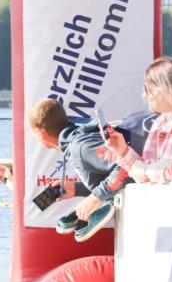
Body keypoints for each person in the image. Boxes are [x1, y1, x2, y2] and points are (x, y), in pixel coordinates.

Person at [27, 98, 129, 242]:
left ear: (40, 133)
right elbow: (115, 176)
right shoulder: (75, 141)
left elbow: (126, 165)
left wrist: (95, 198)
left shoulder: (81, 148)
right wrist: (77, 189)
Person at [102, 57, 172, 183]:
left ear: (169, 89)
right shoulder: (161, 122)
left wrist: (145, 171)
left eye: (148, 88)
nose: (145, 94)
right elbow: (146, 173)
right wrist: (122, 150)